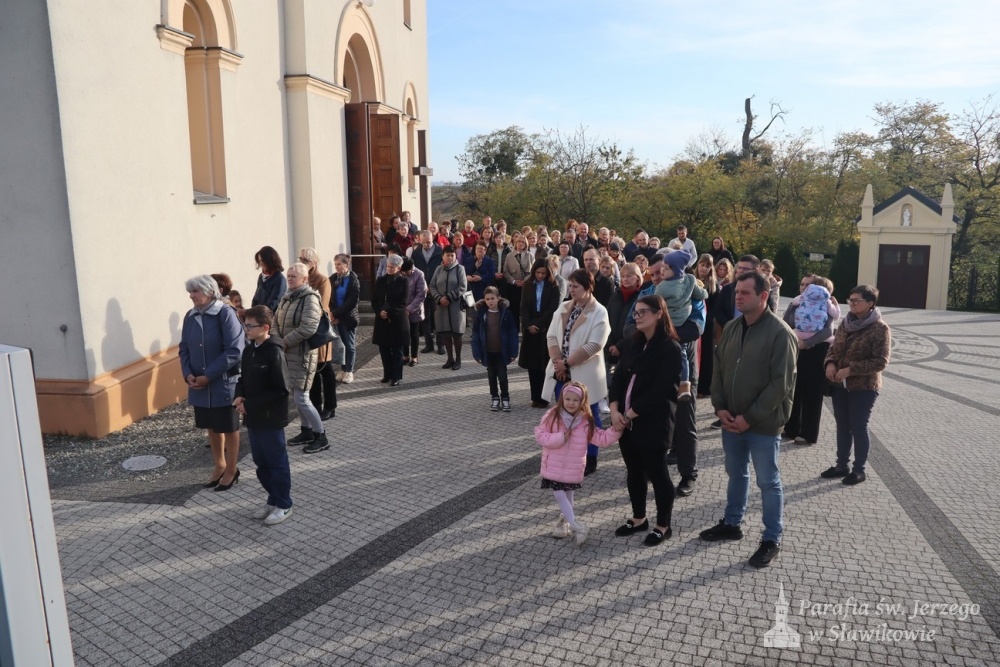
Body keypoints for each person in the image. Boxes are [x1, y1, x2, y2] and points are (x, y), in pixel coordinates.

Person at [701, 270, 797, 569]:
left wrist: (749, 418)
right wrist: (719, 407)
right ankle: (732, 523)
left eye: (745, 293)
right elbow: (718, 369)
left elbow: (780, 384)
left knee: (768, 481)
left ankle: (771, 539)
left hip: (763, 424)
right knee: (736, 473)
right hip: (731, 420)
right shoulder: (731, 327)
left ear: (763, 296)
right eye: (737, 292)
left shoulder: (781, 333)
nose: (738, 297)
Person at [609, 294, 683, 546]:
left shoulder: (670, 348)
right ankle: (639, 518)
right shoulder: (633, 343)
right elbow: (619, 378)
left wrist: (629, 414)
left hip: (653, 422)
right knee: (634, 472)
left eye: (642, 312)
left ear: (659, 314)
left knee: (658, 473)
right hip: (626, 422)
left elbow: (661, 390)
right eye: (635, 312)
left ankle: (663, 526)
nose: (637, 317)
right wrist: (614, 409)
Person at [535, 382, 624, 546]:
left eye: (575, 400)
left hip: (573, 467)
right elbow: (540, 435)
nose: (571, 403)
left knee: (568, 494)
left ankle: (565, 521)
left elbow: (601, 438)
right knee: (558, 493)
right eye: (567, 399)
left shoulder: (585, 421)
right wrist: (560, 438)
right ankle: (577, 526)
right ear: (562, 399)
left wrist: (616, 430)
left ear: (582, 401)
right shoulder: (552, 415)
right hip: (553, 465)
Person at [544, 269, 612, 476]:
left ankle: (591, 456)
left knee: (589, 417)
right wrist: (558, 362)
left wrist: (567, 363)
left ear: (588, 287)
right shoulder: (564, 307)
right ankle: (567, 453)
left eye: (576, 286)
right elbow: (551, 336)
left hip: (585, 374)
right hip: (562, 373)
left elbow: (595, 345)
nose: (571, 290)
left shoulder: (599, 312)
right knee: (564, 415)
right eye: (570, 285)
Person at [179, 275, 245, 490]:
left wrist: (208, 376)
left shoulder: (225, 313)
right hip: (199, 385)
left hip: (223, 383)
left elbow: (234, 350)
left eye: (195, 291)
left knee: (228, 426)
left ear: (209, 292)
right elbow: (184, 348)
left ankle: (232, 469)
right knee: (211, 426)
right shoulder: (190, 316)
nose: (191, 296)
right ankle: (219, 465)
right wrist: (188, 374)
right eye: (190, 292)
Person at [821, 285, 891, 485]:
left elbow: (881, 361)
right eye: (850, 299)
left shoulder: (880, 328)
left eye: (856, 300)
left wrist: (851, 369)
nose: (851, 303)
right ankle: (841, 466)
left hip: (863, 387)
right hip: (839, 384)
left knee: (858, 427)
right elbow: (833, 348)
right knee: (843, 426)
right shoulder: (846, 322)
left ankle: (859, 470)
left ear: (870, 303)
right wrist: (830, 363)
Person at [233, 305, 293, 525]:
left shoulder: (274, 352)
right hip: (253, 417)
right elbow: (243, 379)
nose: (246, 329)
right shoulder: (250, 350)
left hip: (270, 418)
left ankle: (284, 504)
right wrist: (239, 396)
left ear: (265, 327)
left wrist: (249, 404)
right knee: (261, 461)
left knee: (276, 462)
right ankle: (273, 498)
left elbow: (281, 390)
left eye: (250, 326)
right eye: (245, 325)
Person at [275, 263, 328, 454]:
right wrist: (276, 340)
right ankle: (306, 431)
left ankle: (321, 435)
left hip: (302, 354)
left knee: (302, 397)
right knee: (297, 396)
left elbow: (309, 327)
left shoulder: (310, 298)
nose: (289, 279)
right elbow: (275, 321)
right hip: (287, 353)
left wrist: (285, 341)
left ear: (305, 279)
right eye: (288, 275)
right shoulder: (287, 297)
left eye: (294, 276)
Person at [782, 276, 839, 445]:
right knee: (794, 389)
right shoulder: (796, 302)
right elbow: (785, 322)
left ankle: (808, 433)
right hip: (795, 348)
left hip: (816, 350)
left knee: (812, 393)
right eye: (802, 284)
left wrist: (806, 343)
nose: (804, 287)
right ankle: (791, 428)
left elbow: (828, 331)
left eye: (808, 285)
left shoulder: (824, 303)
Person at [655, 250, 707, 401]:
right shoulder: (690, 280)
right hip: (683, 321)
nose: (662, 271)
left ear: (676, 269)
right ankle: (684, 384)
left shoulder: (662, 287)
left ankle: (669, 381)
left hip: (668, 323)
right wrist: (704, 292)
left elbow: (656, 305)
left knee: (666, 352)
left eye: (666, 268)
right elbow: (701, 295)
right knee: (682, 353)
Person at [519, 259, 562, 409]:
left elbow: (553, 308)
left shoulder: (554, 286)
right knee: (532, 364)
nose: (540, 276)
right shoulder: (528, 285)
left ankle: (544, 397)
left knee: (544, 364)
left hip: (545, 328)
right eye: (538, 273)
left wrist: (539, 324)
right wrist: (528, 324)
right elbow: (523, 306)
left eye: (543, 273)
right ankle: (535, 396)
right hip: (530, 327)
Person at [300, 248, 337, 421]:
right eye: (301, 259)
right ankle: (316, 406)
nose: (302, 262)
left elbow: (322, 305)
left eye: (306, 260)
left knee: (325, 368)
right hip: (305, 330)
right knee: (311, 371)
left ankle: (330, 406)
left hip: (319, 330)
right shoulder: (301, 279)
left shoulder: (322, 280)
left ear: (314, 262)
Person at [471, 286, 519, 412]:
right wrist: (476, 353)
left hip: (502, 352)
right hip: (488, 352)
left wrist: (514, 351)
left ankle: (505, 397)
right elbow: (475, 335)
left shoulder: (506, 314)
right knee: (491, 376)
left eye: (492, 298)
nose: (490, 301)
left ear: (498, 298)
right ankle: (494, 397)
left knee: (502, 376)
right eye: (487, 299)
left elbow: (513, 333)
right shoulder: (481, 314)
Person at [372, 254, 410, 386]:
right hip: (382, 320)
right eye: (388, 266)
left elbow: (403, 302)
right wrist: (379, 311)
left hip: (397, 320)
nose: (389, 269)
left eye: (392, 267)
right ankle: (387, 374)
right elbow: (374, 300)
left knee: (397, 349)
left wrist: (389, 312)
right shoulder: (380, 280)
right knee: (384, 349)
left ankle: (396, 376)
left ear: (399, 268)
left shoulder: (403, 281)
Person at [430, 247, 469, 370]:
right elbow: (432, 286)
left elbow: (463, 286)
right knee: (445, 333)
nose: (450, 258)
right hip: (441, 307)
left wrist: (448, 297)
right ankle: (450, 358)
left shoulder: (460, 268)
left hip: (456, 307)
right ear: (443, 256)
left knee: (457, 334)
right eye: (448, 255)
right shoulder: (438, 269)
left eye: (452, 255)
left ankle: (458, 359)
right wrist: (439, 298)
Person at [410, 231, 443, 355]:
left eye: (428, 242)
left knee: (438, 318)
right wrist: (422, 286)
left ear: (432, 238)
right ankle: (429, 344)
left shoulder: (439, 251)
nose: (426, 245)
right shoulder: (416, 253)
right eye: (423, 243)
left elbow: (442, 270)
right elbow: (414, 271)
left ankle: (441, 345)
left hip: (437, 289)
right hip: (422, 289)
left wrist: (433, 286)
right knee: (424, 318)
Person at [330, 254, 360, 384]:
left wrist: (336, 314)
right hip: (336, 317)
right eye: (335, 264)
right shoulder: (332, 279)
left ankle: (349, 370)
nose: (336, 267)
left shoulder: (353, 280)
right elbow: (329, 298)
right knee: (340, 345)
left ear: (346, 265)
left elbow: (351, 302)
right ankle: (343, 368)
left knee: (349, 345)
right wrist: (332, 314)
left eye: (339, 264)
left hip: (348, 317)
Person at [693, 254, 720, 397]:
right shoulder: (691, 280)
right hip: (692, 323)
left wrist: (706, 318)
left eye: (707, 266)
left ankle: (704, 388)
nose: (704, 268)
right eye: (702, 265)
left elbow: (715, 308)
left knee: (706, 355)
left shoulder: (714, 286)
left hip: (707, 325)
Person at [503, 235, 533, 330]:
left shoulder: (530, 256)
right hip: (513, 287)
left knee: (525, 309)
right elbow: (505, 271)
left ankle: (526, 329)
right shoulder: (509, 256)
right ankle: (515, 329)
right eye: (519, 241)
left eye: (523, 242)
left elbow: (533, 271)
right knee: (514, 309)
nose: (521, 243)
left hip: (526, 286)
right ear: (515, 243)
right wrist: (513, 281)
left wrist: (525, 281)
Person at [402, 258, 427, 367]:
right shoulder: (400, 273)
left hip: (415, 310)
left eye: (408, 271)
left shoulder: (419, 274)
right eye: (405, 272)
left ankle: (414, 357)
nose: (407, 274)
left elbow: (421, 294)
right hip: (402, 309)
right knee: (404, 333)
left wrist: (409, 309)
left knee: (414, 333)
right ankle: (405, 355)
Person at [251, 246, 287, 313]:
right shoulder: (261, 277)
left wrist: (260, 313)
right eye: (259, 261)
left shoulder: (279, 279)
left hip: (272, 316)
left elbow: (274, 302)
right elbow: (256, 298)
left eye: (262, 261)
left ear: (269, 260)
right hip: (259, 316)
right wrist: (252, 312)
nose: (260, 264)